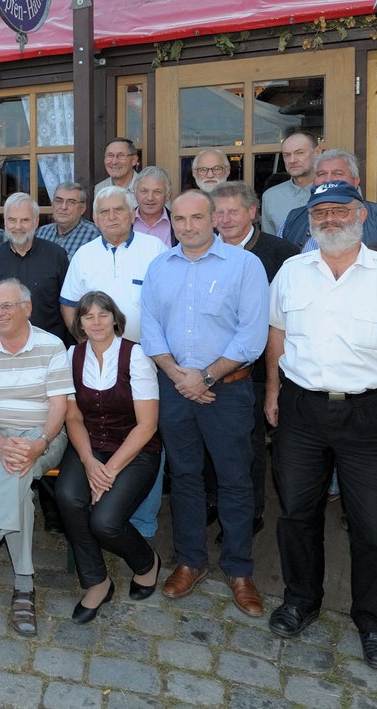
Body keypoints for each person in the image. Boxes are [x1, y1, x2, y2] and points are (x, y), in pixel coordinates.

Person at [265, 181, 377, 669]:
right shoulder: (291, 272)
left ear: (362, 214)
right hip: (302, 411)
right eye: (320, 212)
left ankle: (373, 624)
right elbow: (277, 334)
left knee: (371, 525)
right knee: (296, 514)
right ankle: (301, 600)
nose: (329, 220)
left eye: (339, 210)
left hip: (372, 414)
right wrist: (272, 392)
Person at [140, 189, 268, 616]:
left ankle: (239, 568)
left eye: (197, 217)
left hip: (228, 390)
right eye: (180, 219)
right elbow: (152, 329)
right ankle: (190, 561)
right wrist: (180, 376)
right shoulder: (159, 267)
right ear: (171, 222)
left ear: (214, 218)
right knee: (186, 476)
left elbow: (252, 336)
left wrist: (206, 376)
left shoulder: (245, 265)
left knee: (234, 480)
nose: (188, 226)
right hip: (176, 390)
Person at [0, 280, 71, 637]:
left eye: (7, 306)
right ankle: (24, 585)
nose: (0, 314)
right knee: (18, 482)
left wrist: (39, 441)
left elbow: (59, 405)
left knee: (19, 467)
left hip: (44, 436)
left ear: (27, 307)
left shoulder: (52, 346)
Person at [55, 291, 163, 622]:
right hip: (91, 445)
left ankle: (147, 562)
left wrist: (108, 473)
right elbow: (73, 418)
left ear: (115, 318)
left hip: (135, 449)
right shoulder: (72, 356)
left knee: (105, 521)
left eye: (103, 315)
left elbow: (147, 426)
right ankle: (97, 581)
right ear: (80, 323)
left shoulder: (137, 356)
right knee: (68, 496)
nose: (97, 322)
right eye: (88, 316)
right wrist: (89, 463)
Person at [210, 181, 299, 537]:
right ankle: (213, 501)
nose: (226, 219)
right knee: (209, 441)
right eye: (219, 212)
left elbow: (289, 318)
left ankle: (249, 512)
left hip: (261, 369)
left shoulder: (282, 253)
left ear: (253, 212)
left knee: (248, 444)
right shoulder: (200, 250)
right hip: (208, 367)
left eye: (234, 211)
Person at [60, 186, 167, 345]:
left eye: (118, 210)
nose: (112, 217)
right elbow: (69, 304)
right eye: (104, 212)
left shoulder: (155, 249)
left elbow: (172, 303)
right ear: (95, 220)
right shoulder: (83, 254)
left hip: (149, 354)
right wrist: (86, 345)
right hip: (99, 355)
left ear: (132, 215)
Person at [0, 193, 67, 343]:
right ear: (4, 222)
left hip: (49, 349)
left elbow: (67, 307)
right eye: (12, 220)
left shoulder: (56, 256)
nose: (17, 226)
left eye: (25, 220)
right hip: (3, 350)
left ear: (36, 222)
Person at [278, 150, 377, 253]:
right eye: (321, 174)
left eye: (337, 173)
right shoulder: (292, 219)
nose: (328, 179)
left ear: (355, 181)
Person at [261, 131, 318, 236]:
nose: (292, 160)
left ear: (317, 152)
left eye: (299, 153)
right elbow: (270, 244)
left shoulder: (337, 192)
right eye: (287, 155)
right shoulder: (271, 197)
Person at [35, 182, 100, 257]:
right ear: (52, 204)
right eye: (59, 200)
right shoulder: (41, 233)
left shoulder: (95, 236)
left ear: (82, 208)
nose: (64, 207)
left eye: (71, 202)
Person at [133, 167, 173, 245]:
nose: (150, 198)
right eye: (144, 191)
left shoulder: (177, 223)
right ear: (135, 193)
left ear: (167, 195)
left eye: (157, 192)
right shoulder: (124, 222)